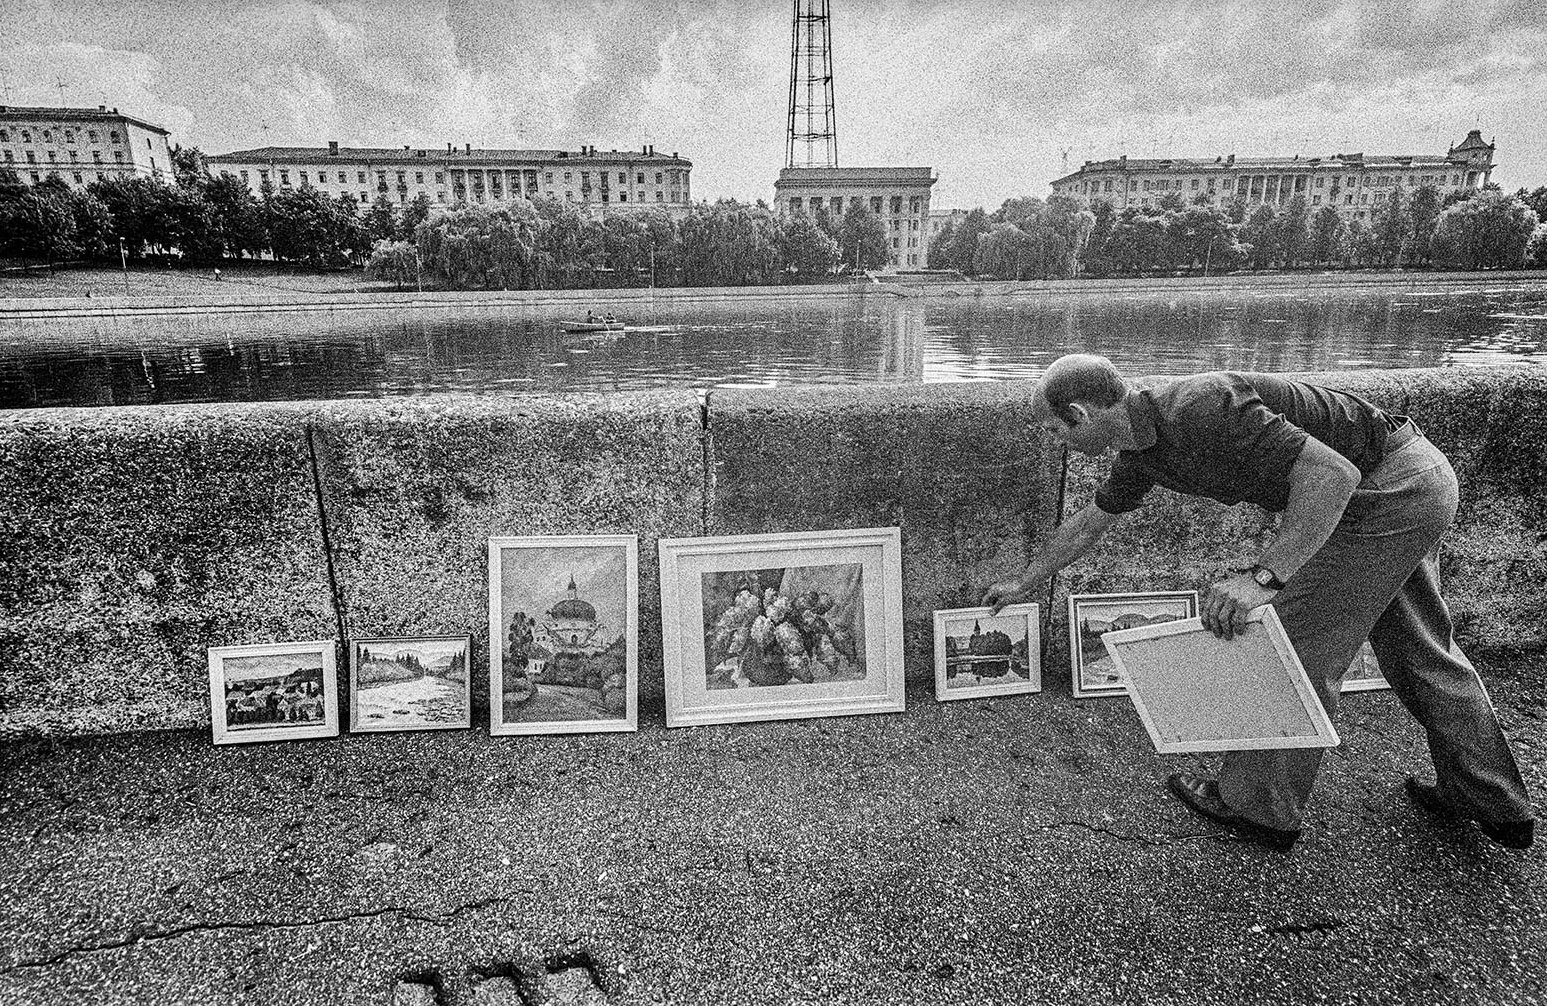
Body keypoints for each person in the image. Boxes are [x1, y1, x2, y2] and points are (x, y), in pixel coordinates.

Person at [983, 354, 1534, 851]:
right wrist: (1024, 584)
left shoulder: (1202, 407)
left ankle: (1259, 808)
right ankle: (1489, 798)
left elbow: (1332, 474)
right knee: (1417, 647)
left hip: (1385, 490)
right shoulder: (1140, 453)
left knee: (1289, 648)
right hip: (1410, 480)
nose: (1056, 439)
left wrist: (1263, 579)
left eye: (1054, 427)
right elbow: (1088, 524)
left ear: (1079, 413)